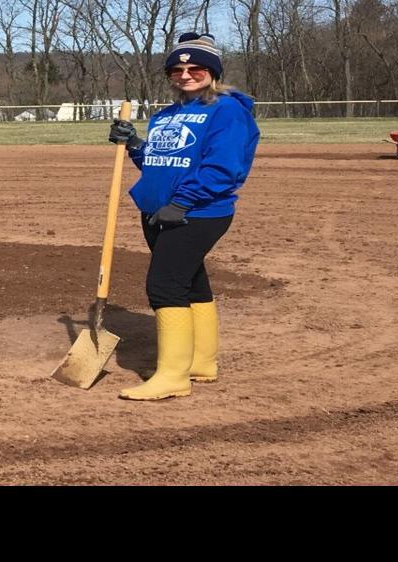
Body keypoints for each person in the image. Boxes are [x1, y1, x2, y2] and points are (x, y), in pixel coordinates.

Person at [107, 32, 260, 400]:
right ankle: (200, 363)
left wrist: (182, 203)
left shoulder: (227, 111)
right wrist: (136, 145)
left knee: (164, 285)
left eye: (196, 67)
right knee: (191, 282)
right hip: (161, 210)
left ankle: (172, 376)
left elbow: (223, 168)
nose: (186, 74)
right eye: (177, 68)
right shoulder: (167, 115)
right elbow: (161, 165)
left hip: (197, 211)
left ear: (213, 71)